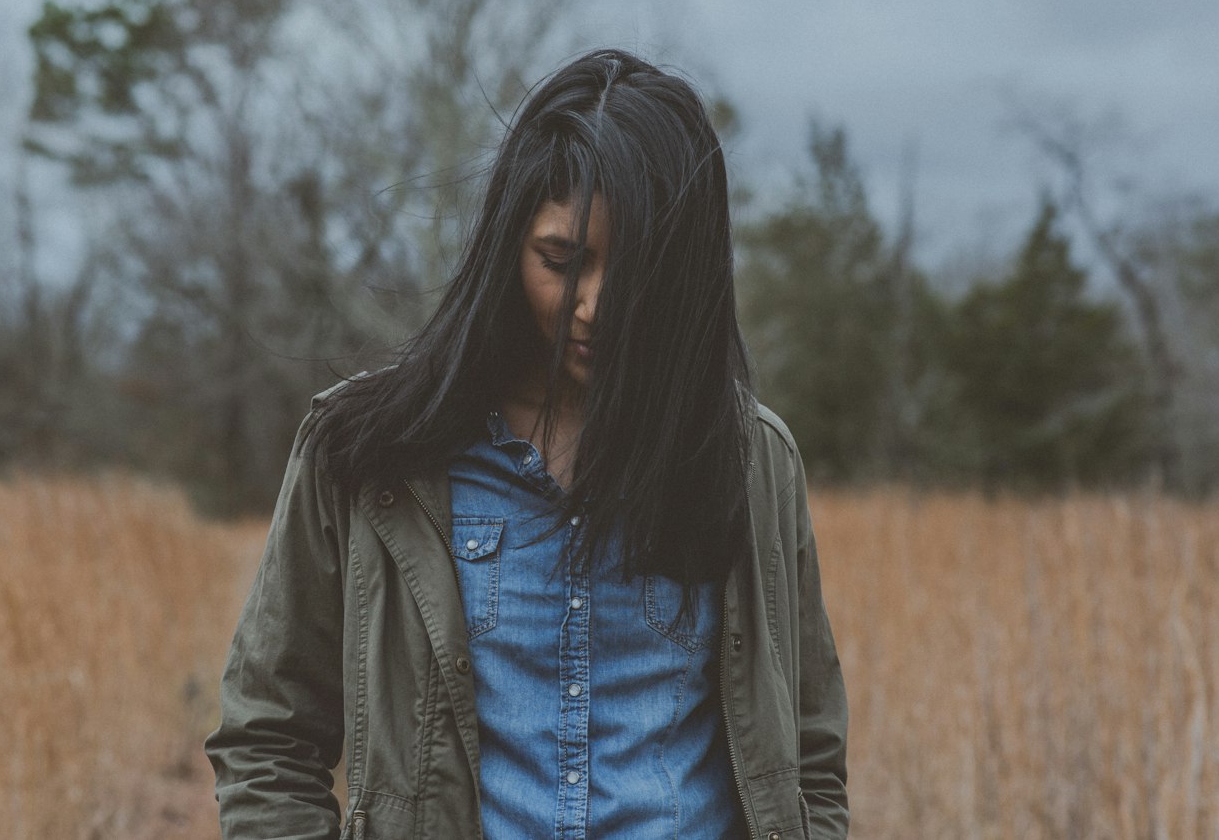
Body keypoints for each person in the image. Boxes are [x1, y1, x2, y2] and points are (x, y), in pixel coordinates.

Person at [205, 50, 848, 839]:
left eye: (639, 270)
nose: (596, 306)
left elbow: (808, 758)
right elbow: (269, 738)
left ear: (686, 276)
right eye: (562, 260)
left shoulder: (752, 461)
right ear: (510, 245)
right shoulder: (369, 456)